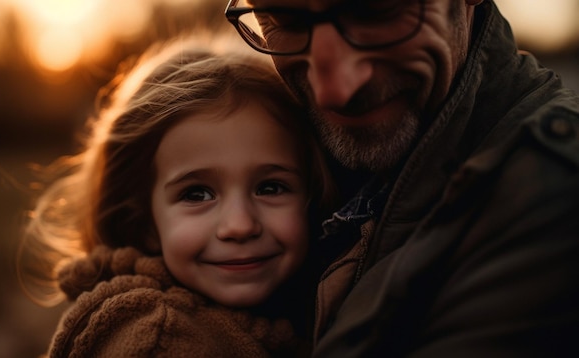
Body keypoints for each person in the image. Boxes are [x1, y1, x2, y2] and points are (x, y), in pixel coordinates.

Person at [225, 0, 579, 356]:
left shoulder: (553, 194)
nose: (334, 92)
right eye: (287, 20)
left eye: (376, 12)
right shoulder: (289, 146)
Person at [19, 36, 336, 357]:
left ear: (312, 194)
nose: (240, 225)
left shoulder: (316, 305)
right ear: (142, 222)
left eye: (270, 188)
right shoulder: (157, 338)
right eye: (197, 194)